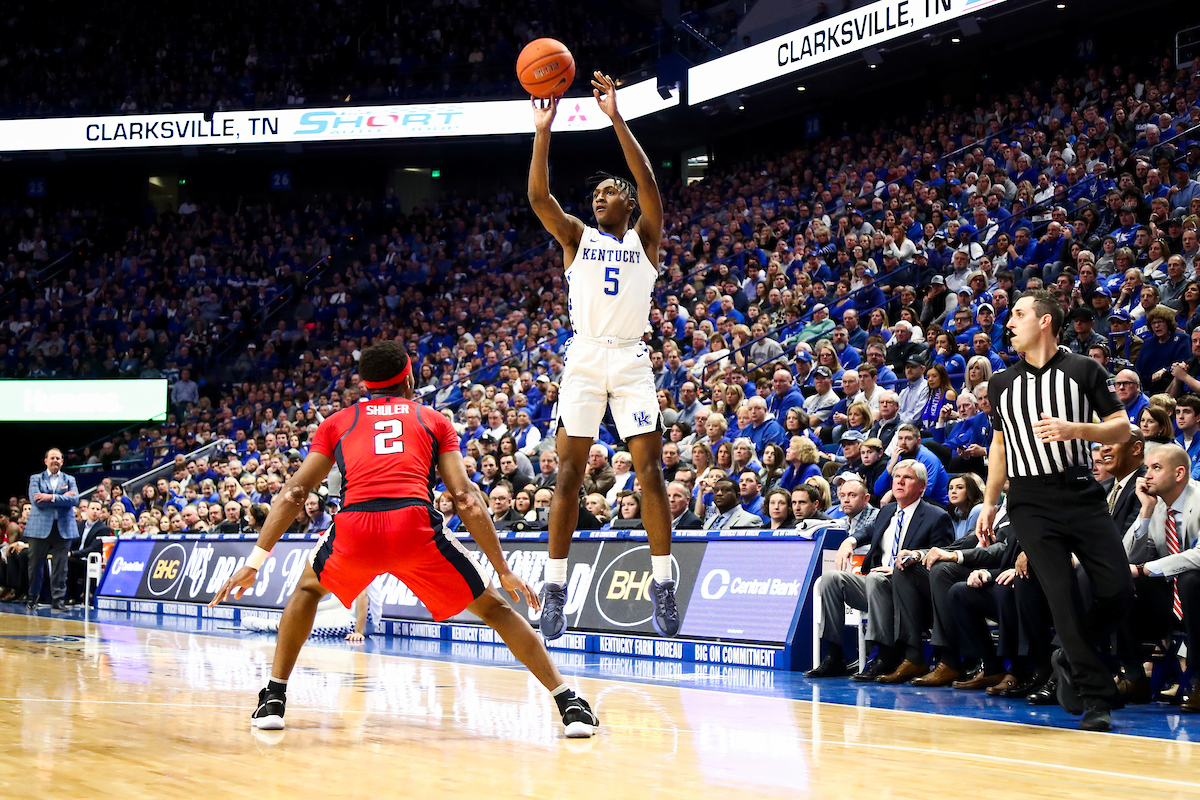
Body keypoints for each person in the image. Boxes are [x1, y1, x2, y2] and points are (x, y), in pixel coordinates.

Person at [210, 342, 598, 738]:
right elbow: (465, 497)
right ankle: (568, 703)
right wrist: (502, 569)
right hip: (414, 527)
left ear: (365, 384)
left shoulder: (337, 422)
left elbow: (294, 493)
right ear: (409, 379)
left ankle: (274, 698)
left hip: (356, 527)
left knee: (307, 591)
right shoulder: (434, 420)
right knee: (496, 609)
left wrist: (254, 562)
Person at [528, 74, 677, 639]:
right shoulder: (575, 237)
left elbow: (650, 182)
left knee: (650, 472)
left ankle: (663, 583)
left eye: (611, 191)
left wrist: (616, 117)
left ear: (629, 203)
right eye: (596, 193)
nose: (599, 197)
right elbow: (539, 198)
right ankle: (555, 588)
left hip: (632, 359)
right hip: (586, 358)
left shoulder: (646, 239)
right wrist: (543, 131)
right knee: (568, 473)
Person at [980, 290, 1135, 732]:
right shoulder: (1001, 383)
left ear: (1045, 321)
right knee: (1062, 598)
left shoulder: (1084, 369)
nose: (1009, 323)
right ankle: (1095, 696)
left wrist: (1075, 429)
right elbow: (999, 445)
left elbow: (1122, 428)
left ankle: (1068, 654)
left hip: (1081, 492)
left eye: (1019, 314)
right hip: (1029, 500)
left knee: (1120, 590)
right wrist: (989, 502)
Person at [806, 460, 953, 679]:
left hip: (910, 590)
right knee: (831, 579)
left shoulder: (937, 516)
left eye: (907, 478)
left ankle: (883, 655)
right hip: (877, 585)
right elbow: (867, 531)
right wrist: (849, 542)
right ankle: (835, 655)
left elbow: (940, 559)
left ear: (922, 486)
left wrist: (901, 569)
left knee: (875, 578)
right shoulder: (887, 511)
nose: (900, 482)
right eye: (897, 477)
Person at [1121, 444, 1200, 713]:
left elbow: (1198, 556)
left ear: (1179, 473)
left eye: (1156, 468)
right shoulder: (1156, 506)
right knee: (1120, 584)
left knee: (1191, 579)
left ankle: (1199, 681)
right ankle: (1134, 677)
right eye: (1147, 468)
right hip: (1170, 598)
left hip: (1195, 592)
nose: (1147, 476)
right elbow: (1128, 557)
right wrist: (1145, 510)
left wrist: (1145, 569)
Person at [24, 448, 79, 611]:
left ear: (62, 461)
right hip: (39, 528)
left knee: (61, 566)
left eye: (58, 458)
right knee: (35, 565)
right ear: (46, 461)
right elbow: (36, 500)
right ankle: (33, 597)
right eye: (52, 458)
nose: (55, 460)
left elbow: (74, 500)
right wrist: (63, 498)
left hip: (63, 527)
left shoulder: (70, 479)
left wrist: (50, 497)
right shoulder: (36, 478)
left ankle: (58, 600)